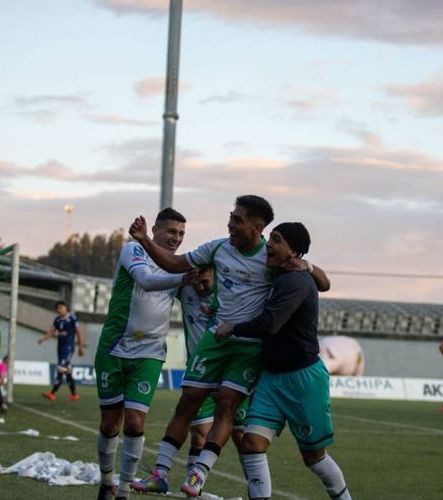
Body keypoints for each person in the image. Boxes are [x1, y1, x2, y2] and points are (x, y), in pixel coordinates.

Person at [130, 195, 331, 497]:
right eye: (231, 217)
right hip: (216, 338)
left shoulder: (272, 259)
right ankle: (160, 473)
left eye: (237, 220)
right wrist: (145, 240)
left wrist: (309, 265)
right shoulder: (218, 248)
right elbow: (173, 263)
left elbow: (324, 283)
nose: (230, 224)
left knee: (226, 403)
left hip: (249, 346)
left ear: (257, 227)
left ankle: (198, 473)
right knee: (188, 400)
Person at [215, 222, 351, 500]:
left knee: (314, 457)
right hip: (271, 377)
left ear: (293, 252)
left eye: (276, 240)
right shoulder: (278, 274)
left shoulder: (296, 281)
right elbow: (325, 282)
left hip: (303, 379)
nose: (269, 245)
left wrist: (233, 327)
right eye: (270, 239)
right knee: (251, 443)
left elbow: (271, 323)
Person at [94, 208, 195, 500]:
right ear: (155, 230)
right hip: (114, 347)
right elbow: (147, 280)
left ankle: (124, 490)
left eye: (181, 235)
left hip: (150, 351)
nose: (177, 239)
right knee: (110, 423)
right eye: (172, 232)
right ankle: (105, 481)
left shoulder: (178, 266)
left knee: (136, 422)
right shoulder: (133, 249)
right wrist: (183, 278)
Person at [177, 268, 246, 470]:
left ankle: (256, 488)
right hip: (200, 373)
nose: (200, 286)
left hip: (230, 373)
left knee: (242, 436)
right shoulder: (185, 289)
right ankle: (192, 487)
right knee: (199, 434)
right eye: (196, 281)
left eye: (205, 281)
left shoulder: (229, 294)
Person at [38, 301, 84, 401]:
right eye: (57, 308)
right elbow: (51, 332)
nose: (59, 310)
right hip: (60, 348)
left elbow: (79, 333)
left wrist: (80, 347)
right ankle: (74, 394)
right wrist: (43, 338)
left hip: (68, 348)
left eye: (60, 307)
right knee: (67, 371)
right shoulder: (57, 320)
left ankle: (52, 393)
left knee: (60, 368)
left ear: (65, 307)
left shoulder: (72, 318)